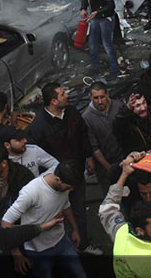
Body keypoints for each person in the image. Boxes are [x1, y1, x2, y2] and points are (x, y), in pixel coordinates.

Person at [26, 82, 99, 255]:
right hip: (56, 181)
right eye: (62, 94)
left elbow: (82, 134)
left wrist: (88, 156)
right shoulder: (39, 127)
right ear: (53, 101)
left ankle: (83, 243)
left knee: (79, 209)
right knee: (58, 214)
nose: (67, 95)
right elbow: (36, 156)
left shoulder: (72, 112)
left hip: (77, 173)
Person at [2, 160, 87, 278]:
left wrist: (75, 229)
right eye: (68, 187)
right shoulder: (31, 192)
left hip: (62, 241)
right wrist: (16, 253)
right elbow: (6, 221)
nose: (71, 190)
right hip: (38, 250)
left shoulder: (64, 186)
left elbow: (65, 205)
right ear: (58, 179)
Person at [81, 81, 124, 195]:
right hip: (105, 165)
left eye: (102, 97)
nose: (100, 101)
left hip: (124, 158)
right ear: (90, 97)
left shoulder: (118, 106)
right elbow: (94, 148)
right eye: (96, 98)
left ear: (107, 94)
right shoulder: (87, 118)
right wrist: (109, 168)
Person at [78, 0, 121, 78]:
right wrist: (83, 8)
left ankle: (115, 69)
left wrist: (98, 12)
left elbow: (111, 5)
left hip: (105, 18)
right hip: (95, 18)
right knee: (92, 43)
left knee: (107, 44)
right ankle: (95, 67)